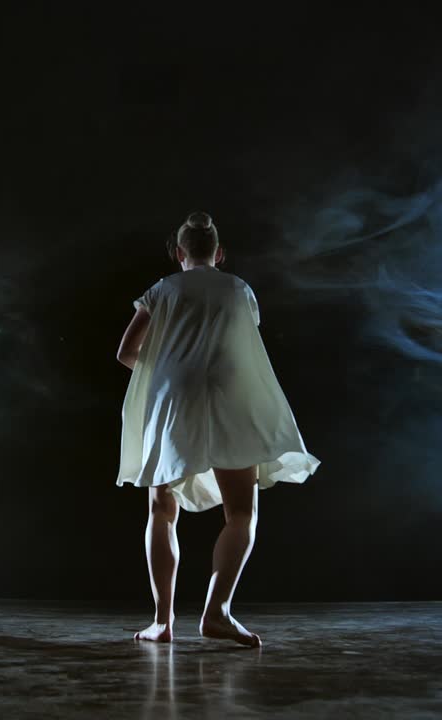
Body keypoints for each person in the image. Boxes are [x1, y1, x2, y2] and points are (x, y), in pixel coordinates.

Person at [115, 211, 320, 647]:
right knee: (241, 513)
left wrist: (161, 372)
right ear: (220, 254)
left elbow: (126, 352)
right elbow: (242, 340)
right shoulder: (238, 288)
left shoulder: (162, 289)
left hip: (174, 398)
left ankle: (162, 622)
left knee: (160, 510)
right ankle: (218, 611)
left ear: (178, 253)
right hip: (228, 393)